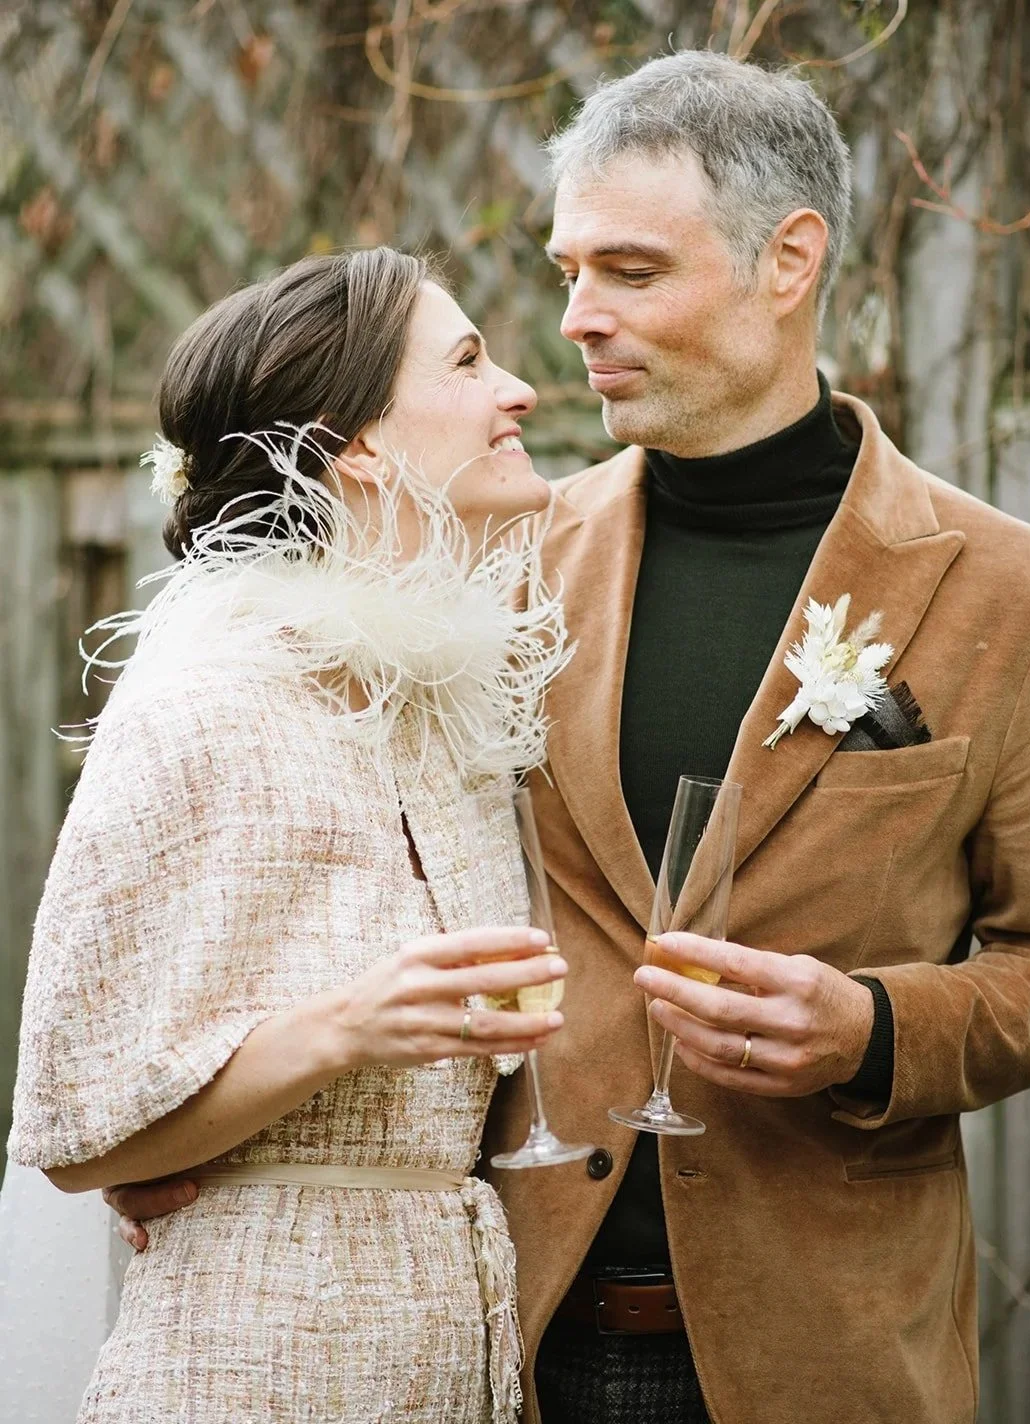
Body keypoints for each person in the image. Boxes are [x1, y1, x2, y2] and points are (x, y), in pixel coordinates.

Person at [107, 51, 1030, 1424]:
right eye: (568, 271)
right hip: (509, 1337)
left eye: (629, 272)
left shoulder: (1013, 592)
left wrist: (873, 1029)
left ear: (788, 260)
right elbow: (339, 868)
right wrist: (226, 1143)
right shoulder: (494, 569)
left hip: (829, 1356)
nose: (575, 320)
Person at [5, 246, 574, 1424]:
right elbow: (70, 1124)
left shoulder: (445, 697)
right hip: (252, 1360)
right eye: (468, 361)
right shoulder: (204, 697)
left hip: (458, 1352)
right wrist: (348, 1026)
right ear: (357, 440)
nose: (518, 387)